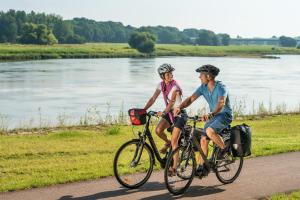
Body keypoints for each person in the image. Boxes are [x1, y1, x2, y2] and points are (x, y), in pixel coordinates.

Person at [171, 64, 233, 176]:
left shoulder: (221, 87)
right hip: (214, 116)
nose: (199, 77)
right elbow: (190, 99)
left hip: (224, 115)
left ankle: (224, 151)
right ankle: (203, 166)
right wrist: (179, 107)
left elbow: (221, 103)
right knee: (203, 139)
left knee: (209, 131)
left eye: (201, 75)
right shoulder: (203, 88)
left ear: (208, 76)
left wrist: (211, 113)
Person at [144, 63, 184, 154]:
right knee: (158, 131)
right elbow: (153, 98)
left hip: (177, 113)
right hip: (169, 113)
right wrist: (144, 109)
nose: (171, 75)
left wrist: (163, 112)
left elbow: (172, 102)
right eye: (168, 74)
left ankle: (174, 160)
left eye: (171, 73)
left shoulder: (175, 86)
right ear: (162, 76)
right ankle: (168, 143)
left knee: (176, 140)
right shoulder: (161, 85)